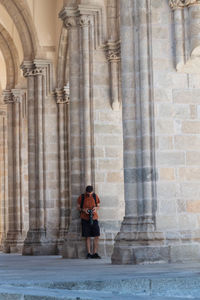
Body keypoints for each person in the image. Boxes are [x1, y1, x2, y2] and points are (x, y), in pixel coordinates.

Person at [77, 185, 101, 259]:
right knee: (87, 236)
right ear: (86, 191)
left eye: (90, 193)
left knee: (96, 235)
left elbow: (98, 205)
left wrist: (95, 209)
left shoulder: (95, 196)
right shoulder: (82, 197)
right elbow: (78, 207)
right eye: (88, 193)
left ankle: (95, 253)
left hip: (94, 218)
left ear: (92, 191)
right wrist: (84, 210)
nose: (89, 195)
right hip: (85, 218)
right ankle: (89, 253)